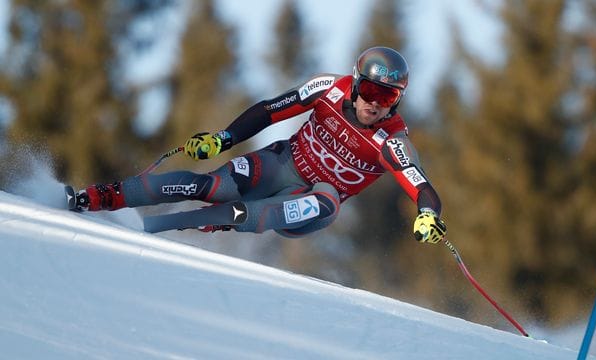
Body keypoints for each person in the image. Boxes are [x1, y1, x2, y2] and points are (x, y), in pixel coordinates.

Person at [73, 46, 447, 243]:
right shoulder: (329, 89)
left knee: (319, 200)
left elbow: (422, 187)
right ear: (355, 82)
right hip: (281, 164)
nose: (373, 103)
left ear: (397, 101)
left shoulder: (391, 140)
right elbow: (270, 111)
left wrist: (428, 215)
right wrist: (223, 139)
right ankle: (101, 197)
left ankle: (153, 231)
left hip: (311, 201)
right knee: (208, 187)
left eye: (386, 97)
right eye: (369, 90)